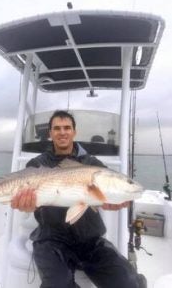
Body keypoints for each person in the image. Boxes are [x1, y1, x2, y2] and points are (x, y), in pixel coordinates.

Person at [11, 110, 143, 288]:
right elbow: (32, 203)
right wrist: (27, 206)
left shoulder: (92, 163)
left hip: (90, 240)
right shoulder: (37, 165)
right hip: (51, 240)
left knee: (129, 283)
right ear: (50, 133)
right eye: (57, 128)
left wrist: (114, 202)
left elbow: (108, 195)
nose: (62, 132)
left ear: (74, 131)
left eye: (67, 127)